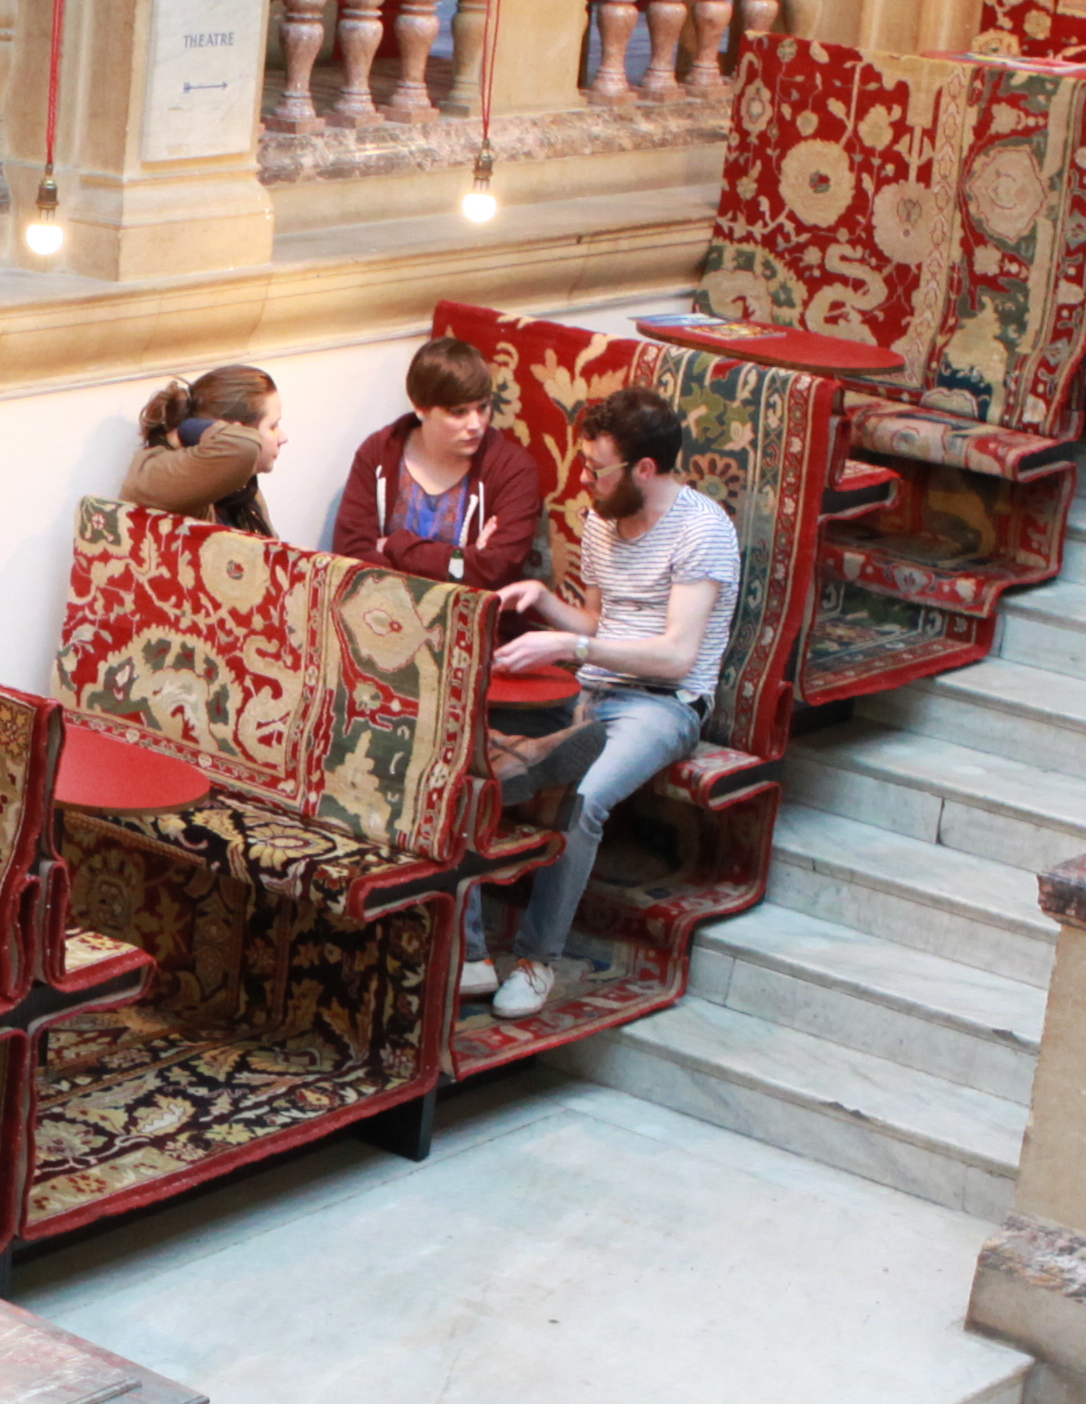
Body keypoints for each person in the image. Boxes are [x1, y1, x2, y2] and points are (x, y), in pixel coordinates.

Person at [474, 386, 736, 1025]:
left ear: (644, 469)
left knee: (586, 797)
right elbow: (597, 616)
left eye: (597, 468)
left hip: (663, 705)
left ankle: (538, 960)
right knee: (460, 757)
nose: (584, 479)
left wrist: (572, 642)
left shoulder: (702, 530)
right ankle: (472, 956)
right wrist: (541, 599)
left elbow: (677, 655)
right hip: (590, 687)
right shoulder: (600, 520)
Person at [325, 334, 549, 590]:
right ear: (421, 408)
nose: (476, 425)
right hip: (382, 614)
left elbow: (492, 571)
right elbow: (351, 554)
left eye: (483, 407)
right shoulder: (379, 453)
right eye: (459, 412)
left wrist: (392, 546)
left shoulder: (513, 469)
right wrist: (463, 559)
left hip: (473, 621)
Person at [119, 364, 284, 532]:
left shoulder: (242, 491)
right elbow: (244, 446)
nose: (283, 438)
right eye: (273, 426)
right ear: (235, 430)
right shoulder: (158, 475)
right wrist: (187, 426)